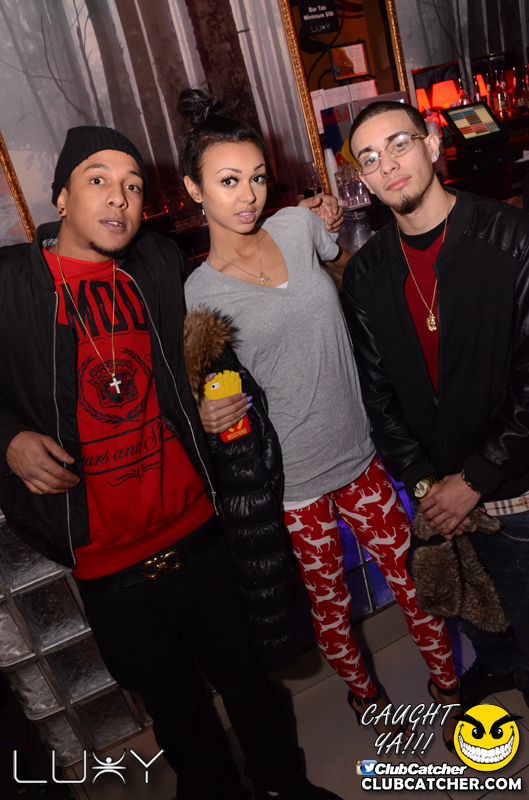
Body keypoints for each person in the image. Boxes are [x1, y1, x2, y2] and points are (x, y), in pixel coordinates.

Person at [0, 125, 345, 800]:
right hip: (108, 559)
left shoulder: (156, 261)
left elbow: (204, 338)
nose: (119, 198)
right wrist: (7, 437)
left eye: (133, 185)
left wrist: (209, 393)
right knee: (175, 711)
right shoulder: (12, 286)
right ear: (61, 197)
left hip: (199, 531)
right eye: (98, 180)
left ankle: (285, 786)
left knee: (249, 681)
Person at [180, 89, 460, 745]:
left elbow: (348, 271)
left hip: (361, 454)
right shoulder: (197, 293)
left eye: (256, 177)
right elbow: (205, 386)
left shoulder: (292, 227)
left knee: (413, 581)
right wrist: (203, 408)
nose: (248, 195)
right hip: (295, 484)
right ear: (195, 190)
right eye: (228, 181)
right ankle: (367, 699)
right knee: (330, 606)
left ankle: (448, 688)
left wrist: (327, 215)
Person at [344, 100, 529, 712]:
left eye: (399, 144)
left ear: (431, 145)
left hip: (514, 485)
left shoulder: (513, 239)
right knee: (474, 612)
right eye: (370, 157)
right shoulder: (367, 273)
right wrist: (426, 486)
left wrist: (474, 480)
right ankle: (496, 669)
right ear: (364, 180)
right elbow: (378, 395)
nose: (388, 164)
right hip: (436, 497)